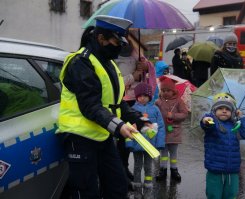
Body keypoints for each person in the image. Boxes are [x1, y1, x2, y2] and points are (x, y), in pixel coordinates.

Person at [57, 15, 150, 199]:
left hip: (102, 135)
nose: (120, 47)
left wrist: (138, 119)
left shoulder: (107, 63)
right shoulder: (81, 62)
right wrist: (119, 125)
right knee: (86, 192)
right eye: (117, 42)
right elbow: (90, 105)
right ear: (101, 39)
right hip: (80, 138)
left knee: (118, 186)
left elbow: (116, 102)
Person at [115, 38, 157, 184]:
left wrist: (145, 67)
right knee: (123, 137)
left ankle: (127, 169)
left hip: (136, 100)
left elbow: (148, 72)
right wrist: (133, 76)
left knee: (136, 135)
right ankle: (123, 169)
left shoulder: (136, 52)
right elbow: (115, 81)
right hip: (122, 101)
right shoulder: (113, 56)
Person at [200, 92, 245, 199]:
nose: (224, 110)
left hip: (232, 170)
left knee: (231, 195)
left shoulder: (235, 125)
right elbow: (206, 125)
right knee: (213, 195)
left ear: (232, 112)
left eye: (227, 109)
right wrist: (206, 119)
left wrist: (241, 118)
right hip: (215, 170)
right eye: (220, 108)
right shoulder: (213, 123)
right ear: (215, 111)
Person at [126, 82, 166, 199]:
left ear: (149, 96)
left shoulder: (155, 109)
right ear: (136, 96)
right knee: (137, 166)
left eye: (145, 95)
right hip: (137, 144)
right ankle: (137, 187)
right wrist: (129, 143)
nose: (142, 98)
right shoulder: (132, 109)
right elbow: (128, 126)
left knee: (148, 166)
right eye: (140, 95)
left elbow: (161, 127)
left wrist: (159, 143)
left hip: (150, 145)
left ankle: (148, 186)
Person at [155, 76, 188, 182]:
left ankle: (174, 170)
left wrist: (173, 115)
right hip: (162, 131)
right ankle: (163, 169)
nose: (165, 93)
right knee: (163, 153)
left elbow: (184, 114)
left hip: (174, 131)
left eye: (168, 90)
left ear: (173, 91)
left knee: (173, 153)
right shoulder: (158, 102)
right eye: (163, 90)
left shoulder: (179, 101)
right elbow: (154, 114)